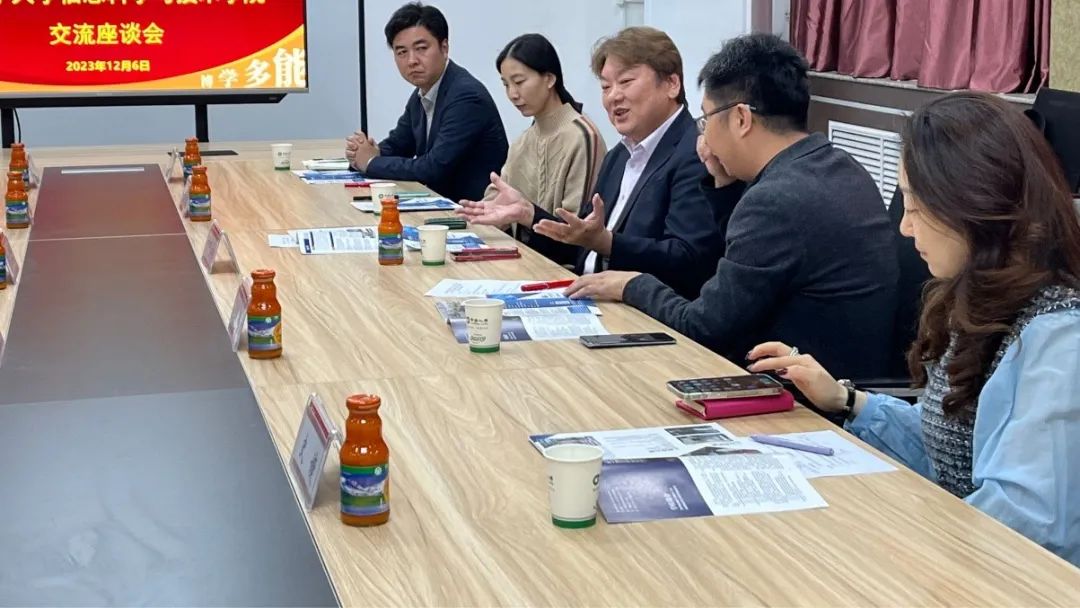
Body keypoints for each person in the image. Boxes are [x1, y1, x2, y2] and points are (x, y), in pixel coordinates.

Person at [748, 92, 1080, 567]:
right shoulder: (981, 297)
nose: (904, 228)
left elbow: (1023, 532)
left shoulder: (1057, 339)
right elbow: (944, 443)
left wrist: (884, 537)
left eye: (917, 207)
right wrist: (845, 399)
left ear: (974, 205)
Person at [566, 34, 898, 379]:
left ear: (741, 118)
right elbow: (751, 261)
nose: (703, 137)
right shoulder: (838, 164)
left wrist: (633, 284)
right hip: (849, 380)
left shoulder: (775, 199)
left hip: (798, 394)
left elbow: (703, 327)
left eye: (706, 119)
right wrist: (724, 187)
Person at [459, 27, 722, 298]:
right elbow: (580, 246)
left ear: (671, 84)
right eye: (606, 87)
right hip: (585, 297)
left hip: (643, 312)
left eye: (626, 82)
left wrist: (607, 242)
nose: (613, 96)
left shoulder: (696, 152)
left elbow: (689, 261)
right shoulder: (619, 156)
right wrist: (527, 213)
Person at [345, 2, 508, 203]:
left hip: (475, 212)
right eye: (401, 52)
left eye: (421, 48)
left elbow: (432, 169)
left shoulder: (466, 96)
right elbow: (398, 145)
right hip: (443, 206)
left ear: (444, 48)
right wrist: (361, 153)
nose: (411, 60)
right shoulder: (422, 94)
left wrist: (370, 162)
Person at [482, 34, 606, 237]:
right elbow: (495, 199)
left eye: (519, 81)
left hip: (561, 255)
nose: (512, 94)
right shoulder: (523, 142)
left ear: (549, 79)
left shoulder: (582, 137)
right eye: (506, 84)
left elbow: (577, 230)